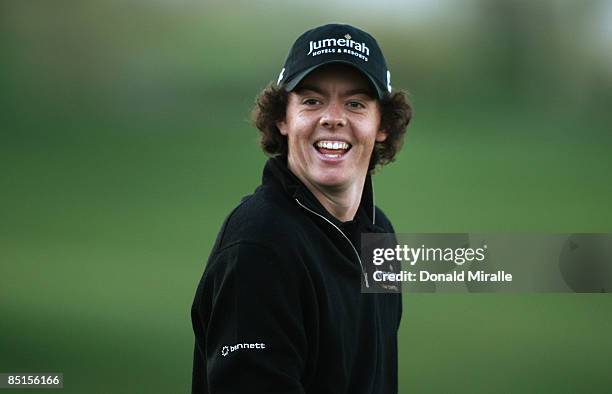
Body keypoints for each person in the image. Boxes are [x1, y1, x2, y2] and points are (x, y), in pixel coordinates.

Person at [191, 23, 412, 393]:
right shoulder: (260, 244)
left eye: (355, 104)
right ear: (282, 118)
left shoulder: (380, 236)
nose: (332, 118)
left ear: (382, 126)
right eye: (312, 101)